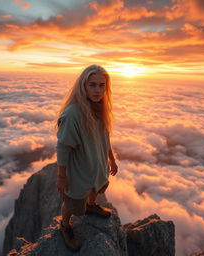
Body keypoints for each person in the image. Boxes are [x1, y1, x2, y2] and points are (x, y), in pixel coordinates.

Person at [56, 64, 118, 252]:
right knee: (72, 200)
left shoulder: (100, 108)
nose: (98, 90)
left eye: (102, 85)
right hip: (80, 167)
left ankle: (91, 205)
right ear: (83, 85)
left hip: (97, 162)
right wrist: (62, 176)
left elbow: (105, 137)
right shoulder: (73, 114)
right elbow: (63, 147)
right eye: (92, 85)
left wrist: (111, 159)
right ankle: (65, 225)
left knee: (97, 185)